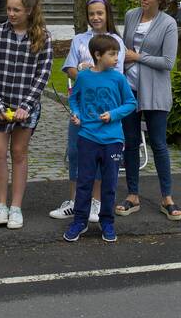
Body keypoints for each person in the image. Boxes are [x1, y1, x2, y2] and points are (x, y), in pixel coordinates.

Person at [50, 0, 126, 223]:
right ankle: (75, 201)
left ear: (107, 14)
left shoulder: (115, 42)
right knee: (76, 152)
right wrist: (85, 72)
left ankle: (95, 202)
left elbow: (115, 73)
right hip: (82, 107)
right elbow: (70, 69)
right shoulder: (79, 40)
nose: (96, 18)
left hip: (104, 108)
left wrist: (90, 72)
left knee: (100, 155)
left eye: (100, 13)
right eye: (92, 13)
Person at [0, 0, 52, 230]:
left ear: (29, 11)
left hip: (26, 106)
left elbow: (43, 74)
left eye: (17, 10)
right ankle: (0, 205)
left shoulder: (42, 36)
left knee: (19, 153)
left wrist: (27, 105)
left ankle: (16, 206)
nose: (11, 14)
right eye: (9, 9)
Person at [117, 0, 181, 220]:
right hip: (130, 89)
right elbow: (124, 51)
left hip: (156, 91)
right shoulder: (131, 15)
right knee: (131, 143)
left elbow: (168, 63)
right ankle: (133, 195)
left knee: (158, 144)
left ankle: (167, 198)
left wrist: (138, 56)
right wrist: (127, 59)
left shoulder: (168, 24)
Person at [64, 34, 137, 243]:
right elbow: (74, 97)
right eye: (112, 54)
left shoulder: (119, 78)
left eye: (117, 54)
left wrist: (113, 114)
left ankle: (107, 222)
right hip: (87, 137)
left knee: (109, 184)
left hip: (113, 139)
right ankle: (80, 221)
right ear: (97, 55)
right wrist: (76, 113)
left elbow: (130, 103)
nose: (116, 58)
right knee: (84, 181)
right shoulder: (84, 77)